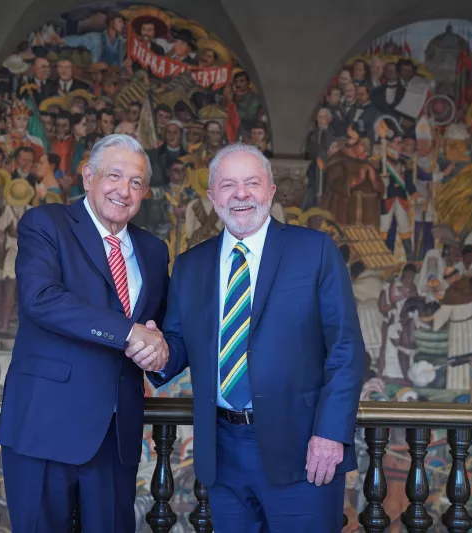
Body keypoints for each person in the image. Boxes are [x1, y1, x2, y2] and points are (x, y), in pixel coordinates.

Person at [129, 143, 364, 532]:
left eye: (252, 183)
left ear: (271, 190)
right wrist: (153, 351)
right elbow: (177, 344)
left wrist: (330, 433)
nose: (240, 194)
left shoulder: (314, 251)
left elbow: (346, 349)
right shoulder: (191, 265)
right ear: (211, 197)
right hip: (222, 453)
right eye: (228, 185)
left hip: (304, 449)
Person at [0, 134, 170, 532]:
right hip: (45, 425)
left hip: (116, 435)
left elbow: (160, 329)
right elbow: (41, 298)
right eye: (114, 176)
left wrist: (163, 354)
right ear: (88, 176)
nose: (124, 191)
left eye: (136, 182)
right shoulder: (47, 223)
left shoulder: (153, 249)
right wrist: (129, 334)